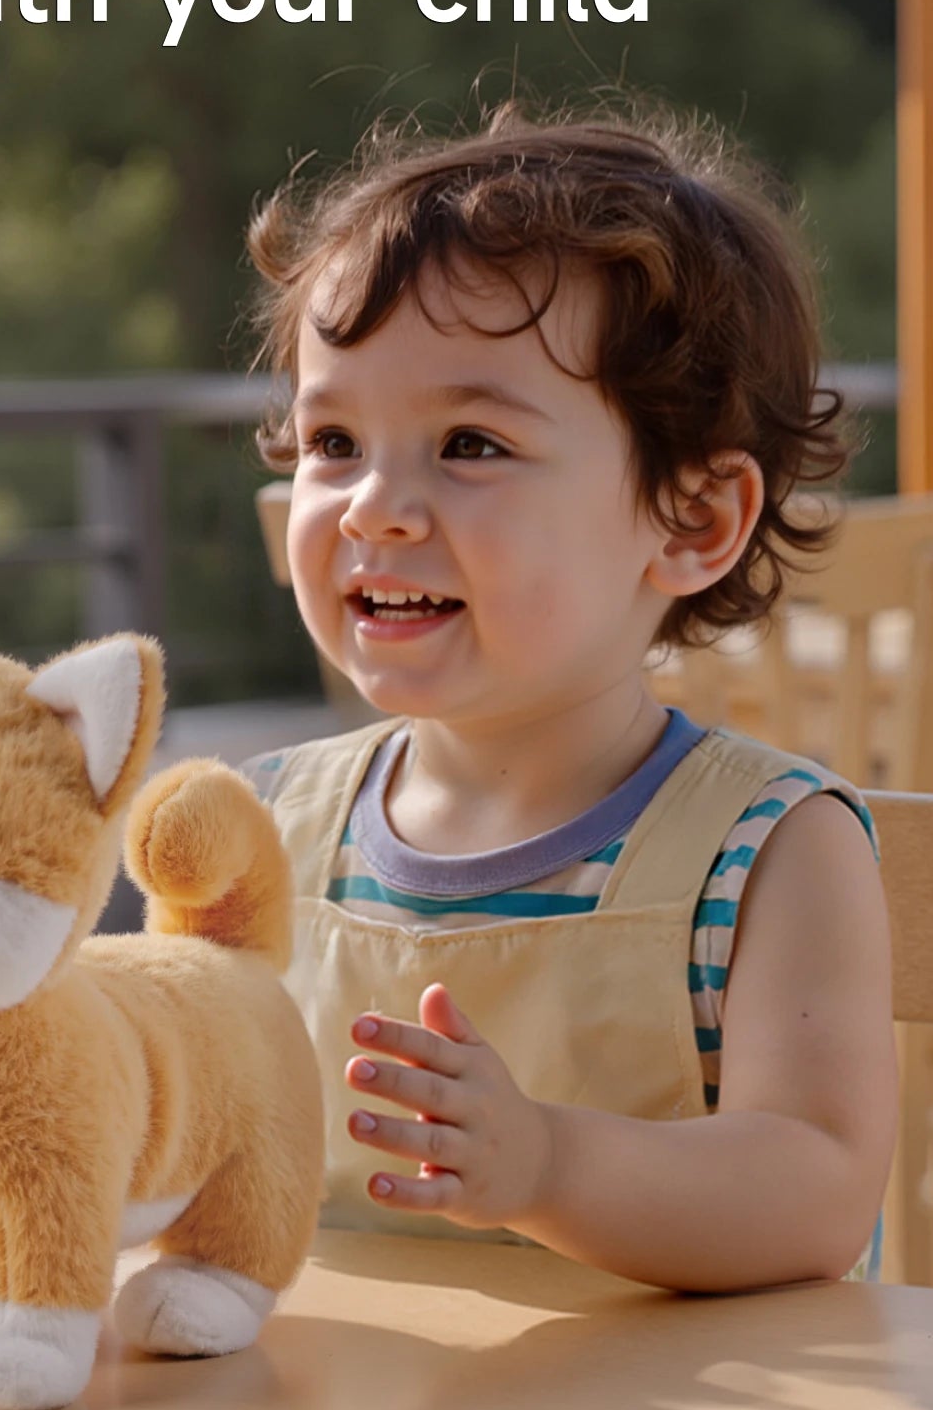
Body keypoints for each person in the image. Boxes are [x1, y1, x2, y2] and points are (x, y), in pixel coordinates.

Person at [240, 101, 897, 1292]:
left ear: (693, 521)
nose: (373, 505)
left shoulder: (770, 851)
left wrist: (548, 1165)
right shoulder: (263, 830)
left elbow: (818, 1188)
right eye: (333, 441)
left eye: (471, 445)